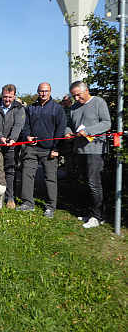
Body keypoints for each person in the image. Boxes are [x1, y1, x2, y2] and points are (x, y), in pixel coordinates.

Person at [65, 81, 111, 228]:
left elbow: (106, 124)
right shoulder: (73, 108)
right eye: (74, 96)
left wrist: (89, 131)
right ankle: (90, 212)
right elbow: (68, 125)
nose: (77, 98)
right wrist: (67, 133)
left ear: (86, 90)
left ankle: (98, 216)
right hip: (79, 150)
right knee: (85, 182)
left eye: (78, 95)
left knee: (94, 183)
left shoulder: (98, 102)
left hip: (95, 150)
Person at [17, 83, 66, 218]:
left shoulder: (57, 109)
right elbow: (25, 126)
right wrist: (27, 136)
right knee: (27, 174)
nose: (43, 94)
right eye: (41, 91)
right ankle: (28, 203)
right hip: (32, 148)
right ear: (37, 92)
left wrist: (56, 148)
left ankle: (50, 206)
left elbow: (60, 130)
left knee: (50, 178)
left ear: (50, 92)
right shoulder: (31, 108)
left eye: (46, 91)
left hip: (50, 149)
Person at [0, 84, 25, 209]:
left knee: (10, 171)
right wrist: (0, 137)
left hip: (11, 145)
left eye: (10, 97)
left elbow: (19, 125)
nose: (7, 100)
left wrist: (13, 138)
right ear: (1, 95)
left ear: (14, 96)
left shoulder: (19, 108)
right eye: (5, 97)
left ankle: (10, 197)